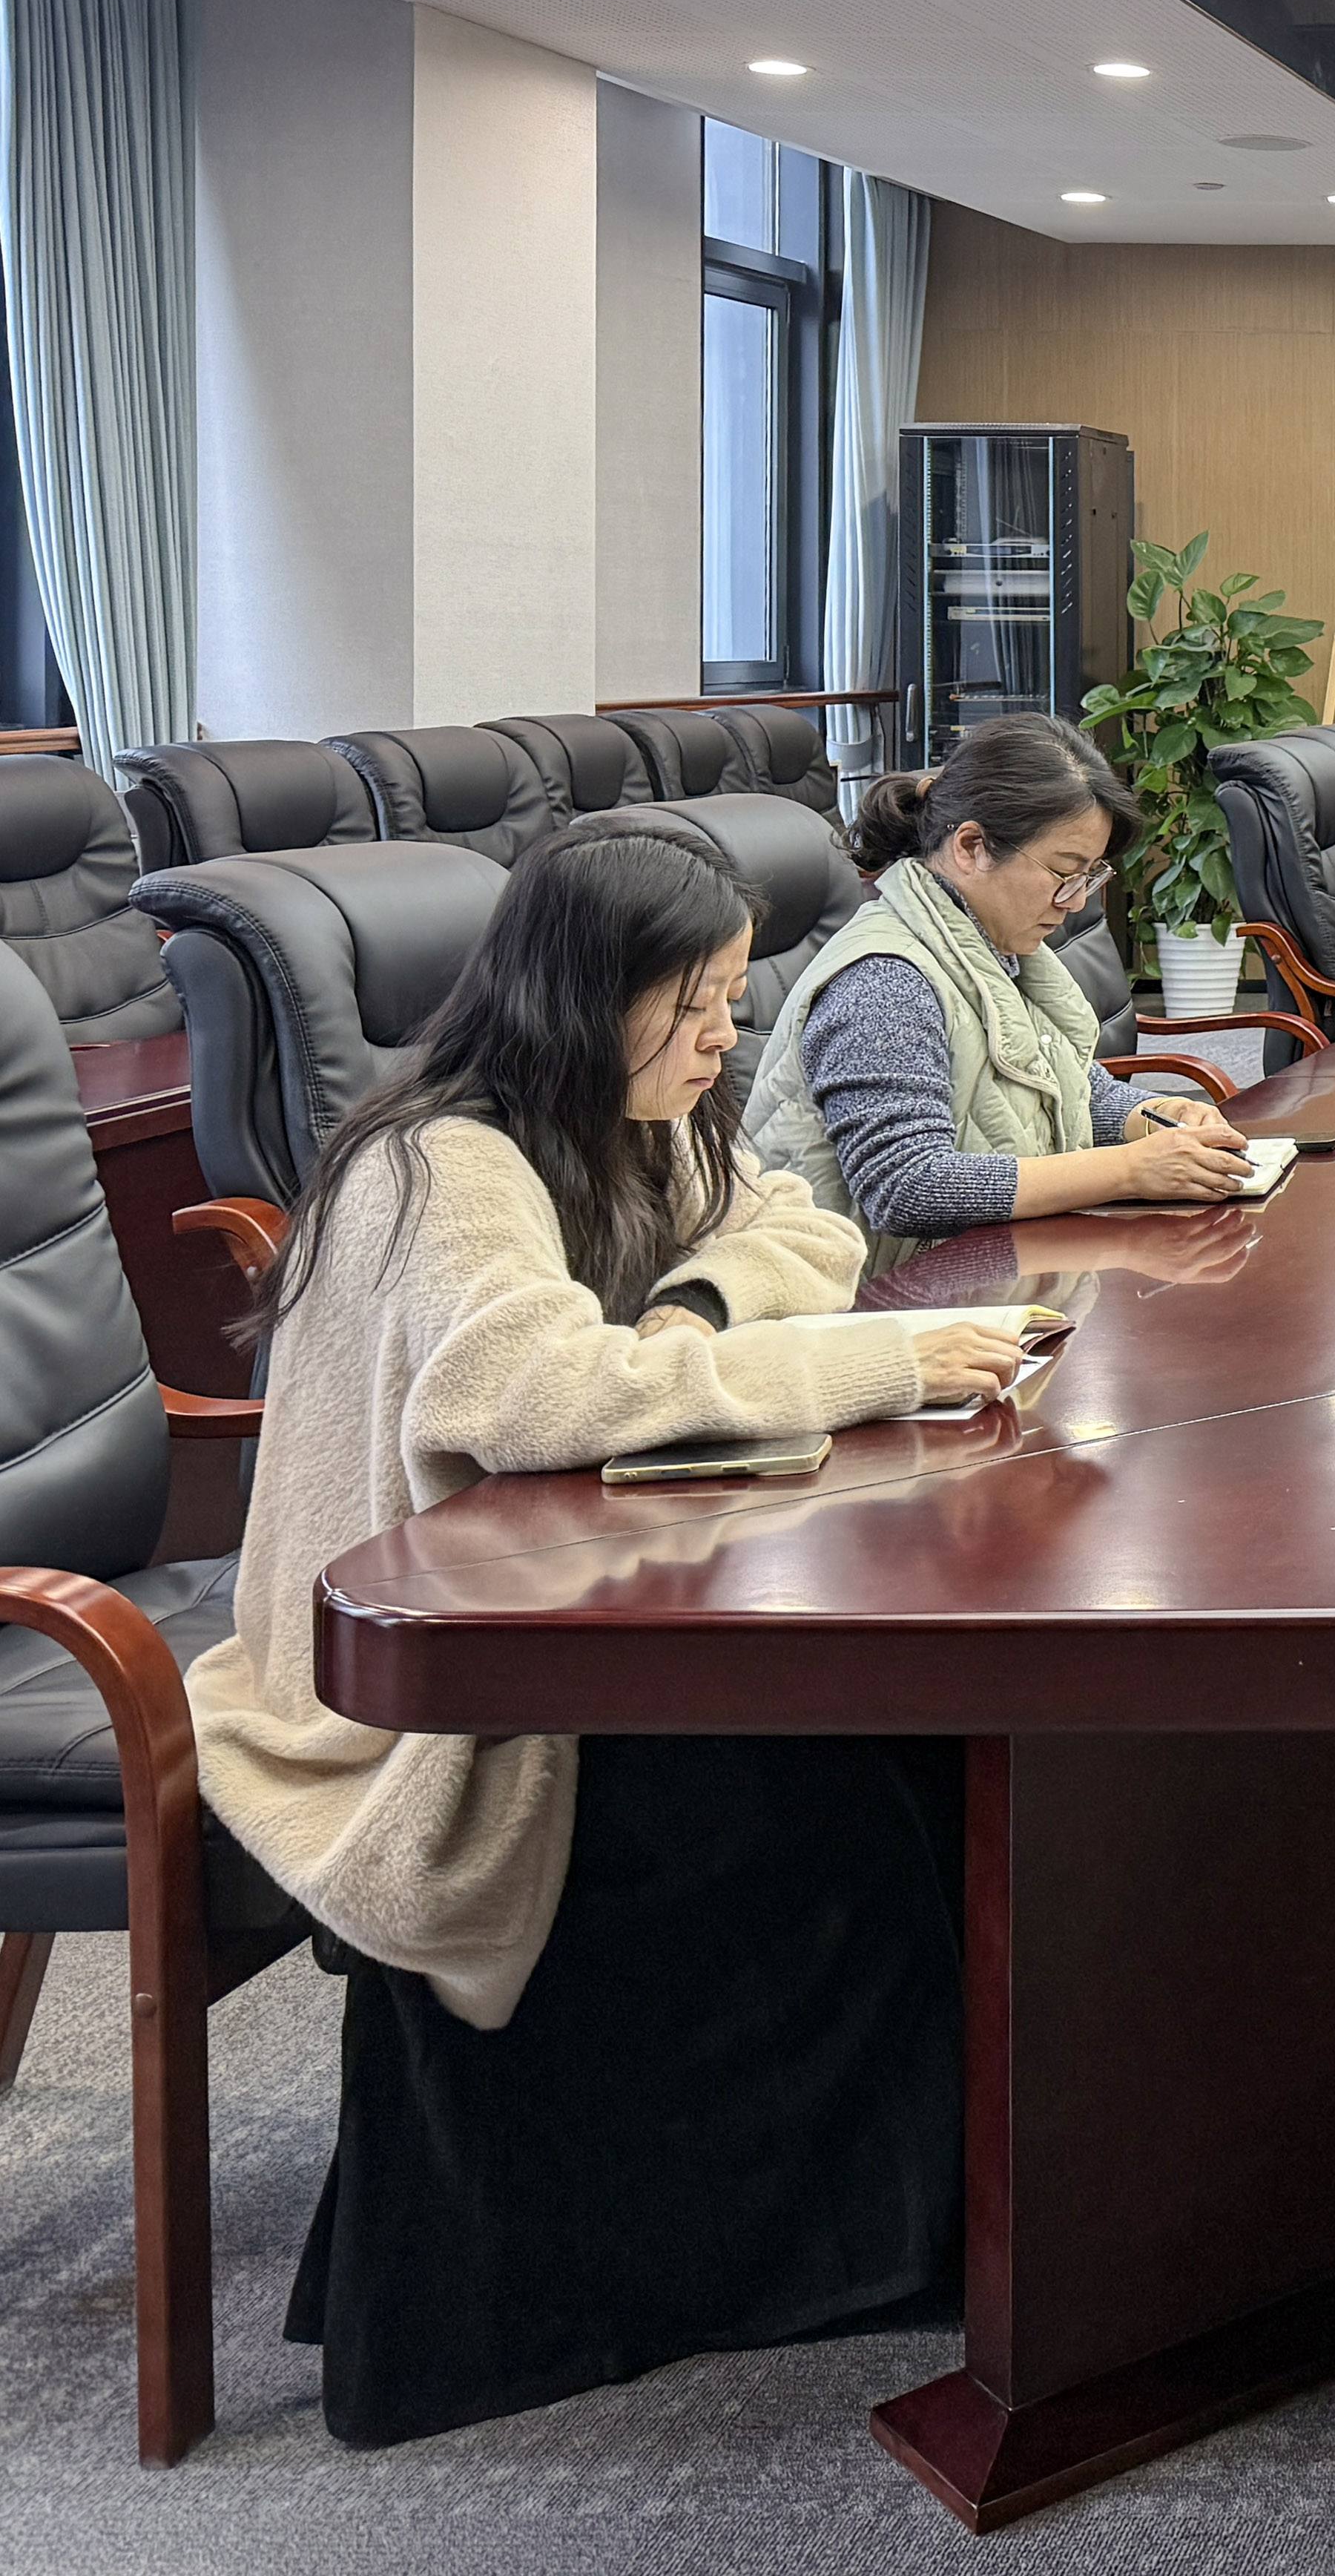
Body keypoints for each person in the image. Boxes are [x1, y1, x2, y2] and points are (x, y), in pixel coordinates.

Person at [183, 812, 1026, 2446]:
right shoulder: (445, 1161)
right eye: (695, 1002)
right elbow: (531, 1390)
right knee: (830, 1791)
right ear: (587, 996)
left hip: (554, 1599)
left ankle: (900, 2223)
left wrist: (694, 1306)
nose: (725, 1035)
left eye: (730, 997)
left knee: (899, 1752)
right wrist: (871, 1364)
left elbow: (806, 1223)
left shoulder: (634, 1117)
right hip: (417, 1680)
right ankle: (758, 2261)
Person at [742, 715, 1259, 1235]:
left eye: (1089, 875)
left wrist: (1158, 1113)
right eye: (1065, 872)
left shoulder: (994, 944)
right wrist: (1128, 1170)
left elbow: (1067, 1092)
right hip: (885, 1281)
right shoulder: (884, 980)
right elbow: (906, 1187)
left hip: (996, 1258)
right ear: (971, 847)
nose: (1075, 901)